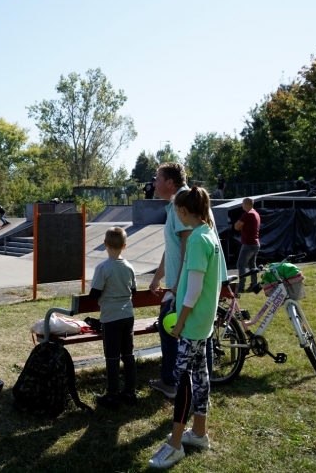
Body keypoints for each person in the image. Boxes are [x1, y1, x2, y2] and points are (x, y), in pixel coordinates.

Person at [148, 186, 221, 468]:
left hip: (191, 323)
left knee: (182, 383)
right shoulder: (209, 233)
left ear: (181, 211)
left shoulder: (197, 241)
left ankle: (175, 444)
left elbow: (193, 290)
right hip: (203, 322)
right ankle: (199, 433)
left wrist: (178, 323)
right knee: (201, 377)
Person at [148, 162, 225, 399]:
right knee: (197, 334)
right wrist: (157, 277)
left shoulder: (184, 205)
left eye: (157, 179)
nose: (154, 184)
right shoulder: (179, 205)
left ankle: (176, 383)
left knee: (173, 326)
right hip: (184, 282)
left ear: (170, 182)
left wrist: (177, 286)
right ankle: (197, 384)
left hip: (187, 283)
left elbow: (188, 249)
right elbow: (172, 246)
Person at [89, 227, 138, 409]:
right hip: (128, 315)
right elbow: (133, 291)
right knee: (128, 355)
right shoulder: (129, 267)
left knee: (112, 357)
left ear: (105, 244)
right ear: (124, 246)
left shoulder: (103, 268)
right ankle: (130, 392)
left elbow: (94, 294)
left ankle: (112, 396)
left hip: (111, 317)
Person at [235, 197, 261, 295]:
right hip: (256, 243)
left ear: (246, 204)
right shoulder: (256, 214)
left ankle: (241, 286)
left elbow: (237, 226)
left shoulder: (248, 214)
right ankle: (254, 285)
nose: (242, 205)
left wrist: (241, 226)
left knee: (240, 264)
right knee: (252, 266)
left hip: (248, 244)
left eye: (242, 203)